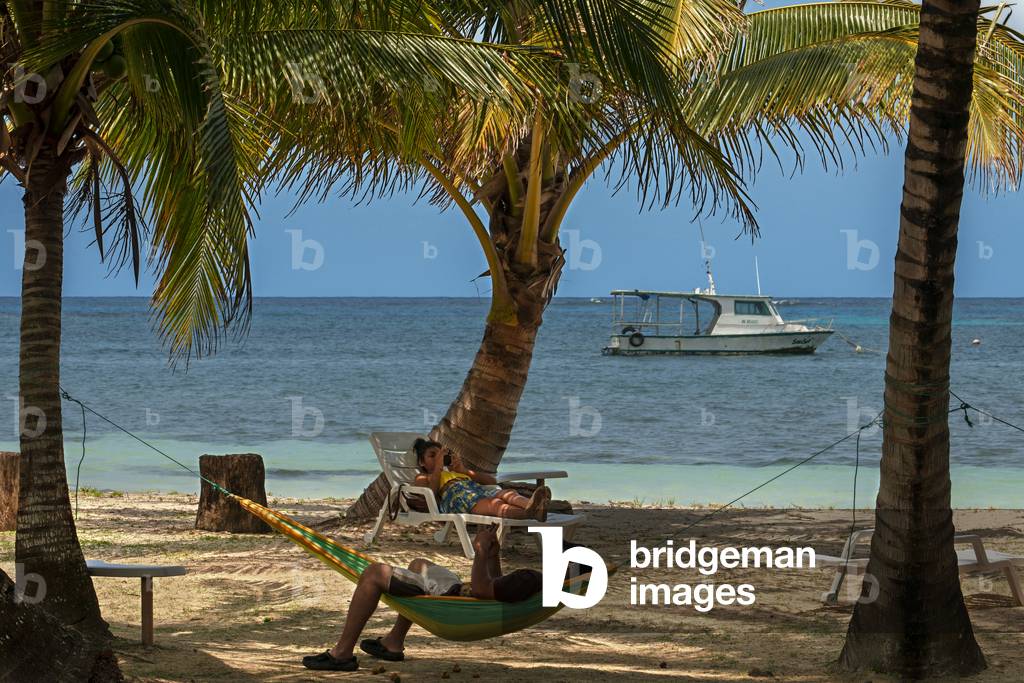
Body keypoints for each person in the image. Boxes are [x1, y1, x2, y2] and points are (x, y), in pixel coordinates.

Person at [302, 526, 543, 672]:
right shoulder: (534, 581)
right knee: (418, 564)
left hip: (451, 600)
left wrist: (479, 551)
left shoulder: (529, 578)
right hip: (456, 589)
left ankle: (342, 653)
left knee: (374, 573)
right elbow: (495, 588)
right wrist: (493, 555)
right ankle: (392, 643)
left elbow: (482, 590)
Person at [412, 438, 550, 521]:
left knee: (508, 493)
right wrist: (438, 468)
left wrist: (464, 471)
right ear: (421, 463)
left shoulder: (455, 472)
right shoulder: (424, 477)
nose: (438, 458)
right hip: (458, 497)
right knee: (495, 504)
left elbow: (491, 482)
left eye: (440, 455)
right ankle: (529, 513)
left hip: (476, 490)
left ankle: (533, 507)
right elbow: (430, 493)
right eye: (432, 456)